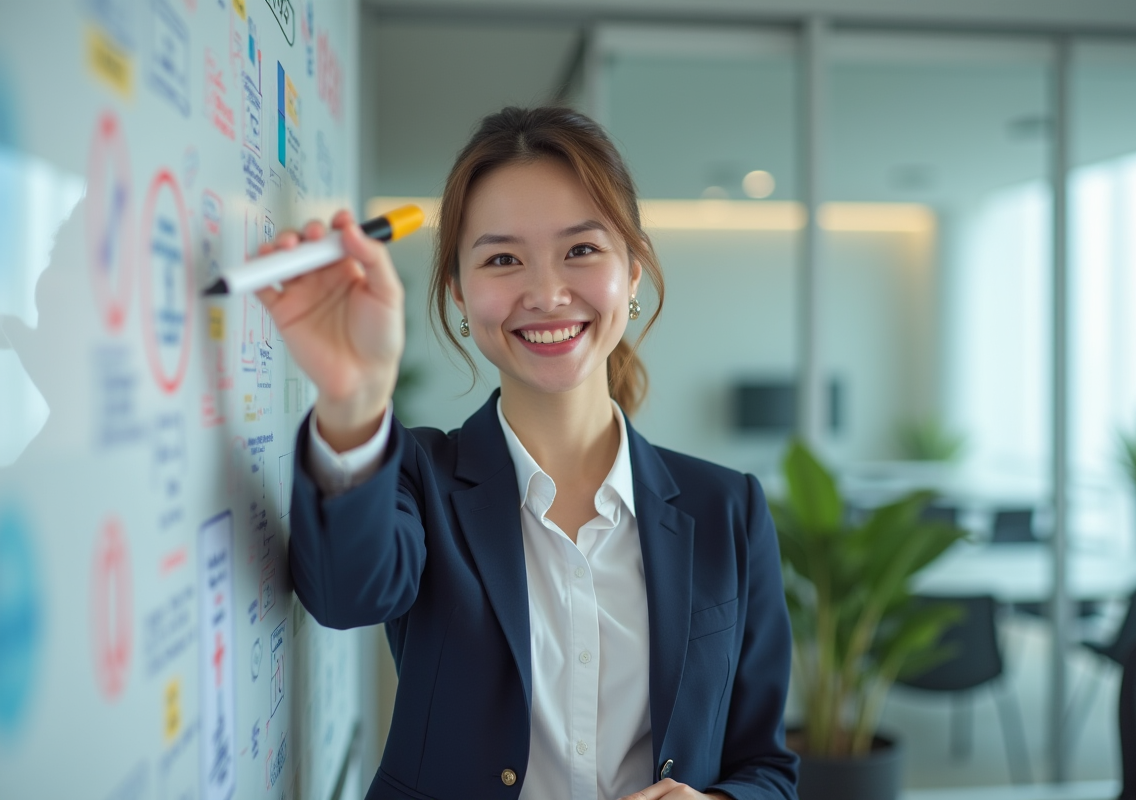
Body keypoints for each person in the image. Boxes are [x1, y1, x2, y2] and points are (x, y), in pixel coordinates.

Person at [262, 107, 798, 800]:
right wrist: (353, 395)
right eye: (503, 259)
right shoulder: (417, 476)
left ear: (633, 271)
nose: (546, 294)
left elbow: (768, 770)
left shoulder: (727, 508)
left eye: (581, 250)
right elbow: (343, 595)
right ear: (458, 291)